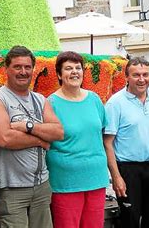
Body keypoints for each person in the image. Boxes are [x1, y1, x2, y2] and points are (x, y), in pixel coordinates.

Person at [0, 45, 64, 228]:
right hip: (12, 189)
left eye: (27, 67)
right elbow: (5, 138)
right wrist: (40, 139)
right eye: (17, 67)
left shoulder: (40, 99)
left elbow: (58, 132)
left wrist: (27, 126)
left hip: (41, 185)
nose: (23, 72)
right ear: (6, 69)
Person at [104, 57, 149, 228]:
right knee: (130, 219)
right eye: (136, 75)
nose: (141, 79)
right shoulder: (115, 103)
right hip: (128, 170)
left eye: (145, 74)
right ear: (127, 78)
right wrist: (116, 177)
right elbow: (108, 143)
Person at [46, 51, 109, 228]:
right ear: (59, 74)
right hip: (66, 180)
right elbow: (47, 139)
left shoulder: (94, 99)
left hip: (96, 177)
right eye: (68, 68)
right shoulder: (50, 103)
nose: (74, 72)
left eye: (78, 68)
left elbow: (103, 134)